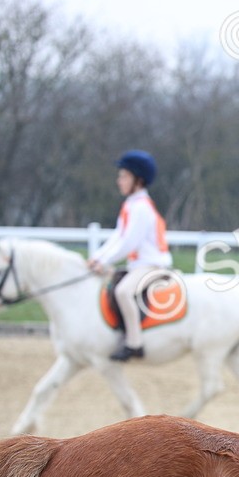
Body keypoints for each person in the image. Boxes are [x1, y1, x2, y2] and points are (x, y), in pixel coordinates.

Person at [88, 150, 172, 361]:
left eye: (124, 176)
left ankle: (135, 343)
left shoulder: (142, 208)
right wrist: (97, 257)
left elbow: (128, 243)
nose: (119, 181)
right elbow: (118, 236)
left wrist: (105, 260)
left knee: (124, 291)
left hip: (152, 265)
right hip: (139, 265)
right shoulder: (131, 205)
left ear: (138, 180)